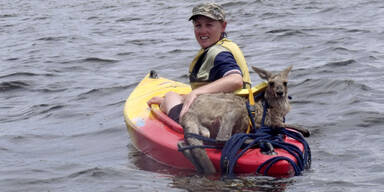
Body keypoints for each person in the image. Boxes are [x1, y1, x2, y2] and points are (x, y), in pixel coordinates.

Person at [147, 3, 251, 123]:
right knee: (175, 97)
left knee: (171, 96)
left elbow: (235, 80)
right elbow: (215, 93)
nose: (203, 31)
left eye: (209, 25)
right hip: (232, 111)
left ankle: (181, 125)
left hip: (223, 117)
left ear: (223, 26)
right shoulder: (222, 46)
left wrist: (195, 93)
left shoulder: (219, 53)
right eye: (198, 25)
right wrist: (182, 98)